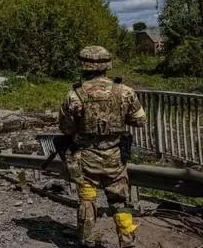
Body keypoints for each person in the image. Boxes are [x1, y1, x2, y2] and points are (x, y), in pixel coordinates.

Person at [58, 46, 146, 248]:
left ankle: (87, 240)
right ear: (108, 64)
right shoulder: (125, 91)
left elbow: (66, 128)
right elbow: (140, 120)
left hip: (86, 157)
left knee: (87, 200)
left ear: (84, 65)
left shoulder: (74, 95)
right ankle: (126, 240)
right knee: (119, 201)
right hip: (115, 156)